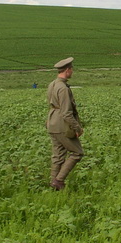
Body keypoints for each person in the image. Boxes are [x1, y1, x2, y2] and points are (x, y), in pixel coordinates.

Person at [46, 57, 84, 191]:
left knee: (58, 156)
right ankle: (59, 180)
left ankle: (53, 185)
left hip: (52, 123)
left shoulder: (52, 84)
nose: (72, 72)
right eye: (71, 69)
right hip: (62, 125)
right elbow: (66, 113)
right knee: (77, 153)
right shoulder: (63, 88)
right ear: (67, 70)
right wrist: (78, 128)